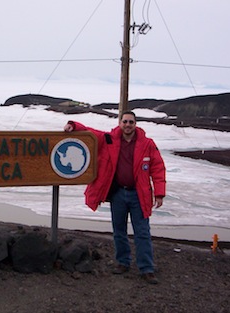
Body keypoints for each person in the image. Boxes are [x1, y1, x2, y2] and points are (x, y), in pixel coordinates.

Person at [64, 111, 166, 284]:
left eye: (131, 122)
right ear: (120, 123)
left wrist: (159, 193)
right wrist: (73, 125)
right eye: (125, 121)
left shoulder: (147, 144)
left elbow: (158, 168)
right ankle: (122, 263)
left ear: (135, 124)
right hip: (118, 193)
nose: (127, 125)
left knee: (142, 232)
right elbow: (90, 133)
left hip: (139, 195)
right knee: (119, 231)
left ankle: (147, 269)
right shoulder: (110, 139)